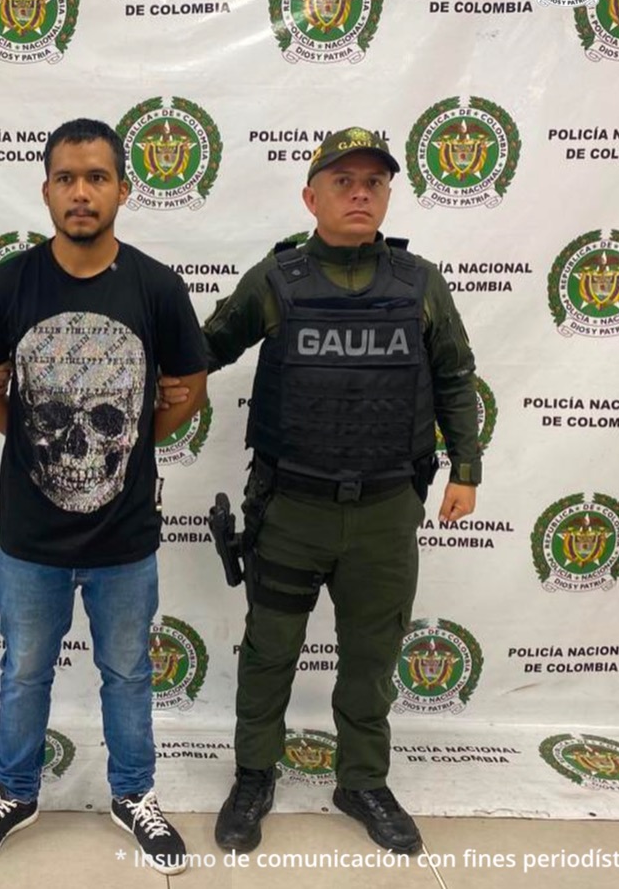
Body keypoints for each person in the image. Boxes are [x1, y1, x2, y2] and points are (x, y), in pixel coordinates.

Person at [199, 128, 481, 855]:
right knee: (270, 650)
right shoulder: (277, 279)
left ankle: (361, 780)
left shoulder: (420, 283)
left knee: (371, 657)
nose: (361, 193)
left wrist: (468, 469)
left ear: (387, 195)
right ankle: (255, 774)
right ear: (311, 195)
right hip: (292, 506)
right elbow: (203, 349)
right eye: (344, 181)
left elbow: (453, 376)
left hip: (388, 510)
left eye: (374, 183)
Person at [0, 118, 208, 874]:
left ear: (124, 190)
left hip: (125, 536)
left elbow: (187, 389)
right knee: (24, 669)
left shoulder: (157, 287)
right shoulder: (10, 281)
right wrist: (31, 431)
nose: (82, 191)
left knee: (128, 671)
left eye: (98, 176)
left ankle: (134, 794)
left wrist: (126, 438)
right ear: (47, 190)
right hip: (31, 535)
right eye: (67, 177)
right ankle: (15, 790)